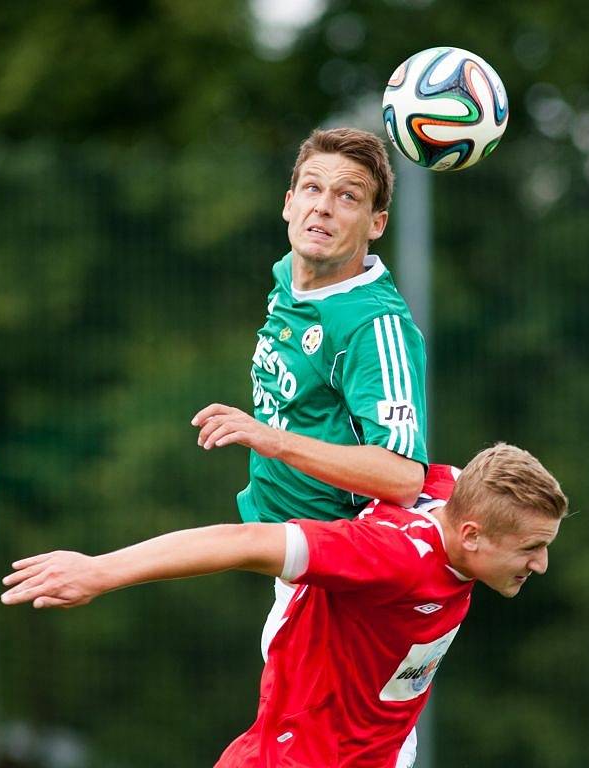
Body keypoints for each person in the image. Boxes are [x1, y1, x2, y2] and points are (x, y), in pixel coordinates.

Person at [1, 443, 569, 768]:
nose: (540, 564)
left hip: (383, 751)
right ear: (470, 535)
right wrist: (100, 571)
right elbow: (243, 542)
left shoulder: (450, 489)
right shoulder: (390, 559)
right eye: (532, 548)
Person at [191, 127, 430, 766]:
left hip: (346, 583)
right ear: (288, 202)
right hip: (302, 574)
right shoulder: (292, 283)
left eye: (348, 197)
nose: (324, 206)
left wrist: (271, 438)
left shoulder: (374, 324)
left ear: (377, 223)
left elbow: (403, 475)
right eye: (313, 188)